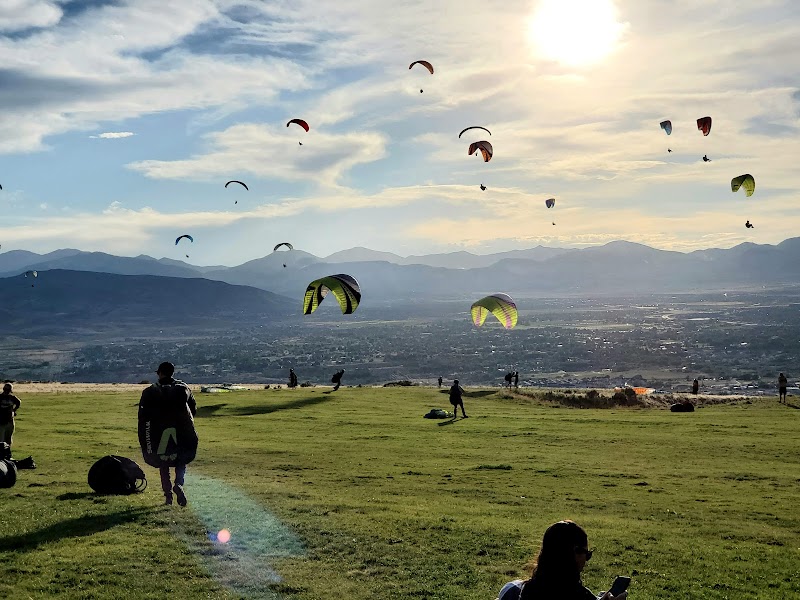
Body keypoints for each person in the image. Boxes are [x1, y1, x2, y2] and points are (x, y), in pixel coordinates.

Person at [513, 520, 628, 600]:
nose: (586, 561)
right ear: (574, 552)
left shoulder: (529, 589)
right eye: (587, 554)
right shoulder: (577, 594)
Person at [138, 362, 197, 506]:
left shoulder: (150, 391)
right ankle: (179, 484)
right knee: (181, 461)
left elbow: (143, 416)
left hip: (158, 433)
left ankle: (168, 497)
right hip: (181, 431)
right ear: (172, 373)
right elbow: (193, 409)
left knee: (163, 463)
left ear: (159, 373)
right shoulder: (183, 388)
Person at [0, 384, 21, 451]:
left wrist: (14, 411)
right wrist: (14, 411)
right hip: (2, 421)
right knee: (2, 440)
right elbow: (18, 403)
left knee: (7, 438)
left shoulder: (12, 398)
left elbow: (18, 402)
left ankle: (6, 454)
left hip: (9, 420)